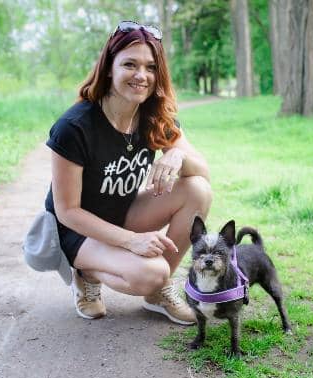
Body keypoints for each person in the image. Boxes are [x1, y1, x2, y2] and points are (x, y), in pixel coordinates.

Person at [44, 21, 212, 325]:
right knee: (152, 272)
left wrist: (176, 155)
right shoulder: (74, 127)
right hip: (76, 230)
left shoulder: (153, 116)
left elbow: (202, 172)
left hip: (121, 212)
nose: (141, 75)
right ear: (109, 68)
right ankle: (86, 273)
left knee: (197, 189)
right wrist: (131, 241)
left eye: (150, 67)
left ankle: (156, 294)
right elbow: (67, 211)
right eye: (130, 64)